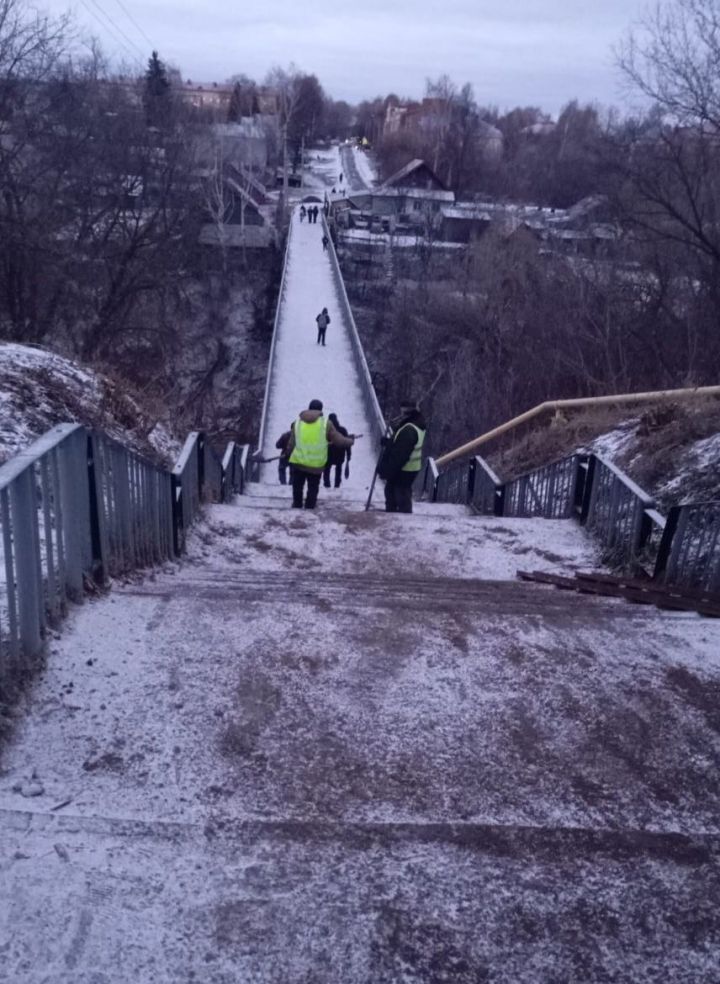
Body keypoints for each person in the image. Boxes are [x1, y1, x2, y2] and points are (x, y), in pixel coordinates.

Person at [287, 400, 354, 509]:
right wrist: (350, 441)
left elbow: (291, 444)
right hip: (316, 465)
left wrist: (288, 454)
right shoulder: (325, 424)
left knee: (297, 487)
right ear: (321, 410)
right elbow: (339, 441)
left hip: (298, 462)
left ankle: (297, 505)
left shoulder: (297, 423)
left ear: (309, 408)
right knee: (313, 488)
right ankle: (309, 507)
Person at [378, 399, 427, 514]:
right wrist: (389, 443)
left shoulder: (409, 429)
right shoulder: (415, 424)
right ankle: (396, 515)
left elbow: (400, 455)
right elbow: (400, 444)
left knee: (398, 494)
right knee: (394, 491)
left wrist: (386, 470)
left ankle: (401, 519)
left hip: (404, 468)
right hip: (410, 467)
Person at [323, 413, 351, 489]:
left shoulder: (325, 430)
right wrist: (348, 454)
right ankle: (337, 485)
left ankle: (326, 484)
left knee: (326, 469)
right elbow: (346, 443)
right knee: (338, 469)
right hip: (340, 453)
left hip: (328, 454)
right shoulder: (342, 430)